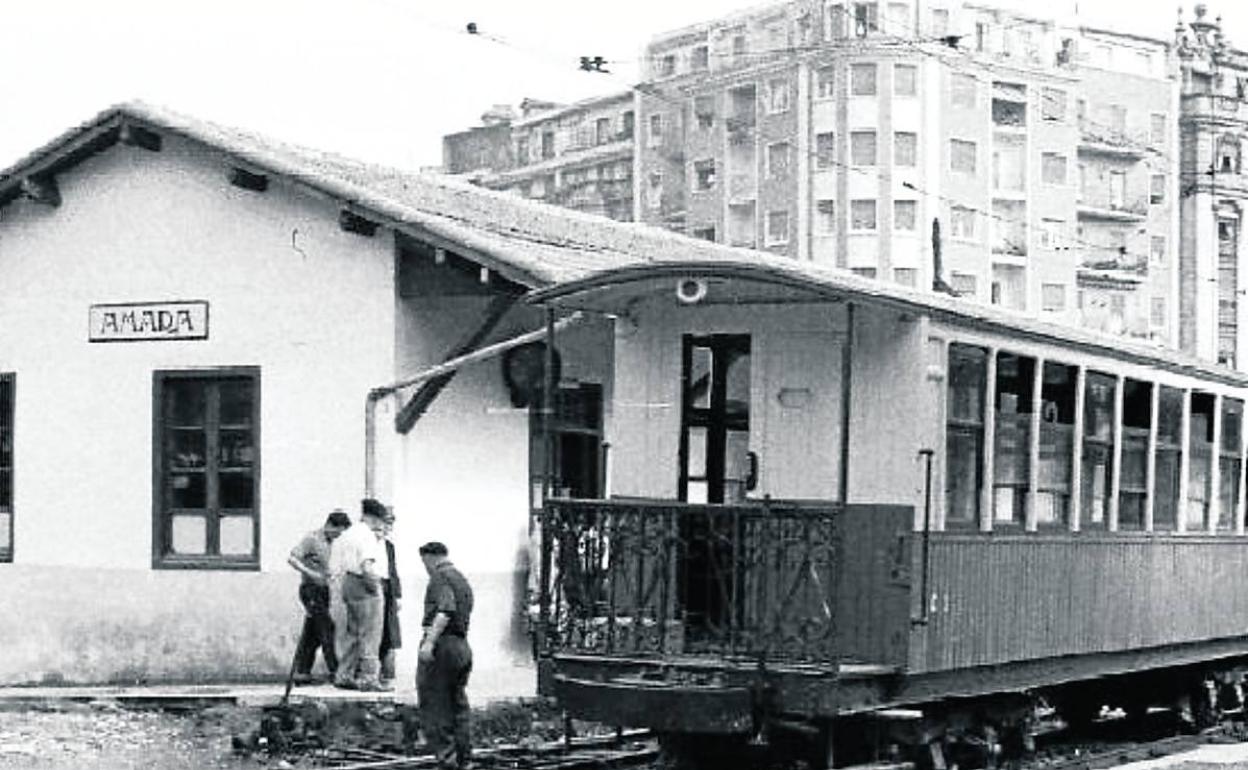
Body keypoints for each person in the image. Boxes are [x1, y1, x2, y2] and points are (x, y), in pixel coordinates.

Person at [417, 541, 474, 770]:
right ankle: (464, 759)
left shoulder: (440, 577)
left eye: (424, 563)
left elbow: (445, 609)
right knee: (458, 705)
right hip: (461, 646)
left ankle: (447, 763)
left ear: (430, 558)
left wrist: (429, 642)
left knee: (436, 704)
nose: (425, 568)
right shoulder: (461, 579)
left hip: (443, 646)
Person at [328, 498, 390, 691]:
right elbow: (367, 566)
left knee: (354, 633)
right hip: (365, 583)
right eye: (381, 519)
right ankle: (370, 678)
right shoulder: (367, 536)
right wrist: (376, 588)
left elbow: (335, 565)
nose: (382, 524)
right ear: (375, 518)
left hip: (349, 582)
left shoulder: (348, 534)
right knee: (371, 633)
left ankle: (344, 674)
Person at [287, 509, 352, 685]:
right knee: (327, 628)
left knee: (312, 634)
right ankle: (336, 671)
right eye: (337, 531)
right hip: (310, 589)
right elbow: (292, 559)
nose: (338, 536)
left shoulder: (334, 543)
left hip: (324, 590)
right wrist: (310, 572)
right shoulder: (312, 538)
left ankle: (302, 672)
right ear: (330, 525)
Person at [378, 507, 402, 688]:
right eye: (385, 523)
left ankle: (388, 674)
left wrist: (398, 595)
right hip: (373, 591)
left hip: (388, 593)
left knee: (390, 634)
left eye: (390, 525)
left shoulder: (389, 547)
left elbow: (393, 572)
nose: (387, 528)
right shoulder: (368, 544)